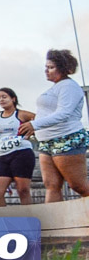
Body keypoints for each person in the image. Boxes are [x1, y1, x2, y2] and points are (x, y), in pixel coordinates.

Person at [18, 49, 89, 202]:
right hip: (47, 141)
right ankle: (54, 224)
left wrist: (34, 124)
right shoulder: (55, 88)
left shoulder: (69, 86)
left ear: (63, 69)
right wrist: (33, 127)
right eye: (46, 67)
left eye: (51, 67)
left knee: (78, 185)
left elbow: (64, 113)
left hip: (66, 138)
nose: (46, 71)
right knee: (51, 184)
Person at [0, 88, 36, 206]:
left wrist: (32, 128)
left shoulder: (21, 114)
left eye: (4, 97)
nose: (1, 100)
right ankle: (2, 220)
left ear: (13, 99)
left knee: (22, 190)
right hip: (4, 155)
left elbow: (41, 120)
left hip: (21, 152)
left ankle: (29, 219)